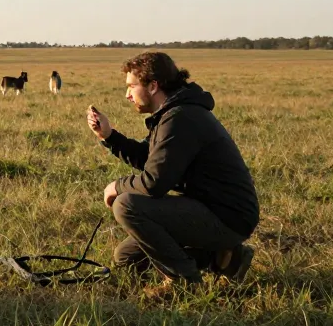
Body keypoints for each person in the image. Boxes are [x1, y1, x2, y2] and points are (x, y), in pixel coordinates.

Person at [86, 51, 259, 289]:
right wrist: (109, 136)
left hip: (228, 217)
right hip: (210, 209)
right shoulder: (172, 113)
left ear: (154, 86)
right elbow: (149, 159)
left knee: (126, 205)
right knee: (126, 259)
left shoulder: (180, 118)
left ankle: (183, 281)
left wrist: (116, 186)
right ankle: (225, 259)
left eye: (132, 86)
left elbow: (154, 182)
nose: (127, 95)